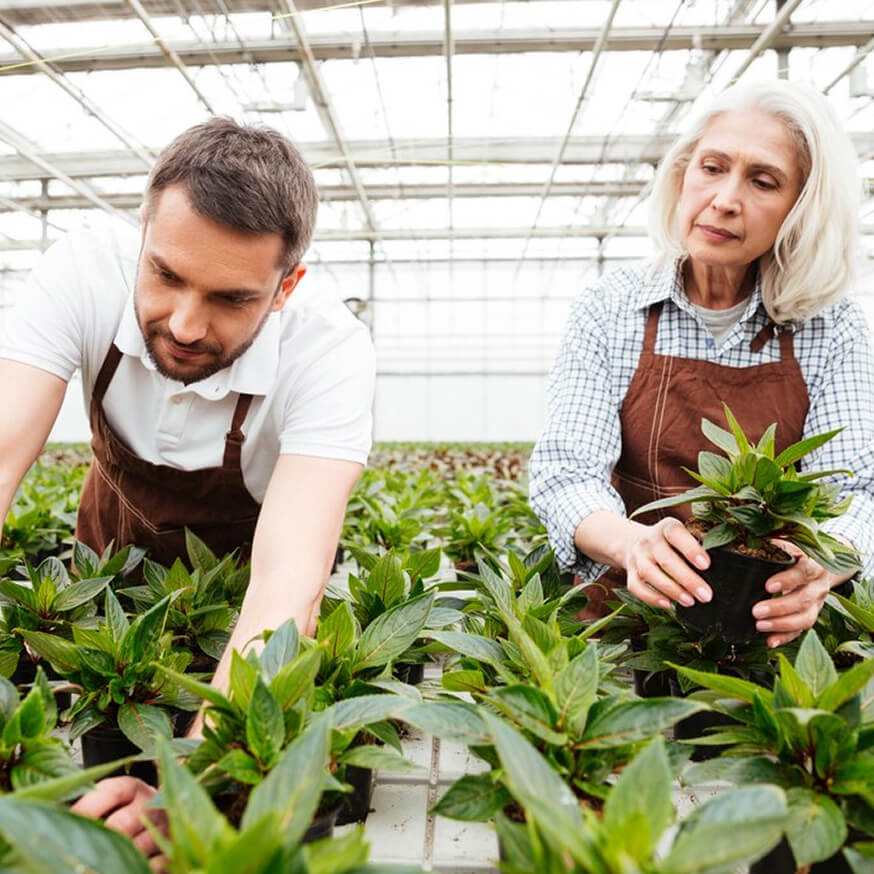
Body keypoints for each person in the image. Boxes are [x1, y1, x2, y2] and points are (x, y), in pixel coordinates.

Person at [0, 118, 375, 857]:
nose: (184, 322)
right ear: (143, 232)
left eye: (231, 298)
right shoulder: (82, 269)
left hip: (243, 612)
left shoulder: (329, 352)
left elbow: (284, 589)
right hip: (112, 585)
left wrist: (197, 784)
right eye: (166, 274)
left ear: (284, 288)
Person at [530, 79, 874, 648]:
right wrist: (631, 543)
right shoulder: (611, 308)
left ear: (802, 208)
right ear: (683, 174)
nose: (725, 199)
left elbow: (858, 489)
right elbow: (567, 473)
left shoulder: (831, 327)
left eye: (763, 181)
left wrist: (823, 568)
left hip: (770, 635)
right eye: (713, 167)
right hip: (623, 625)